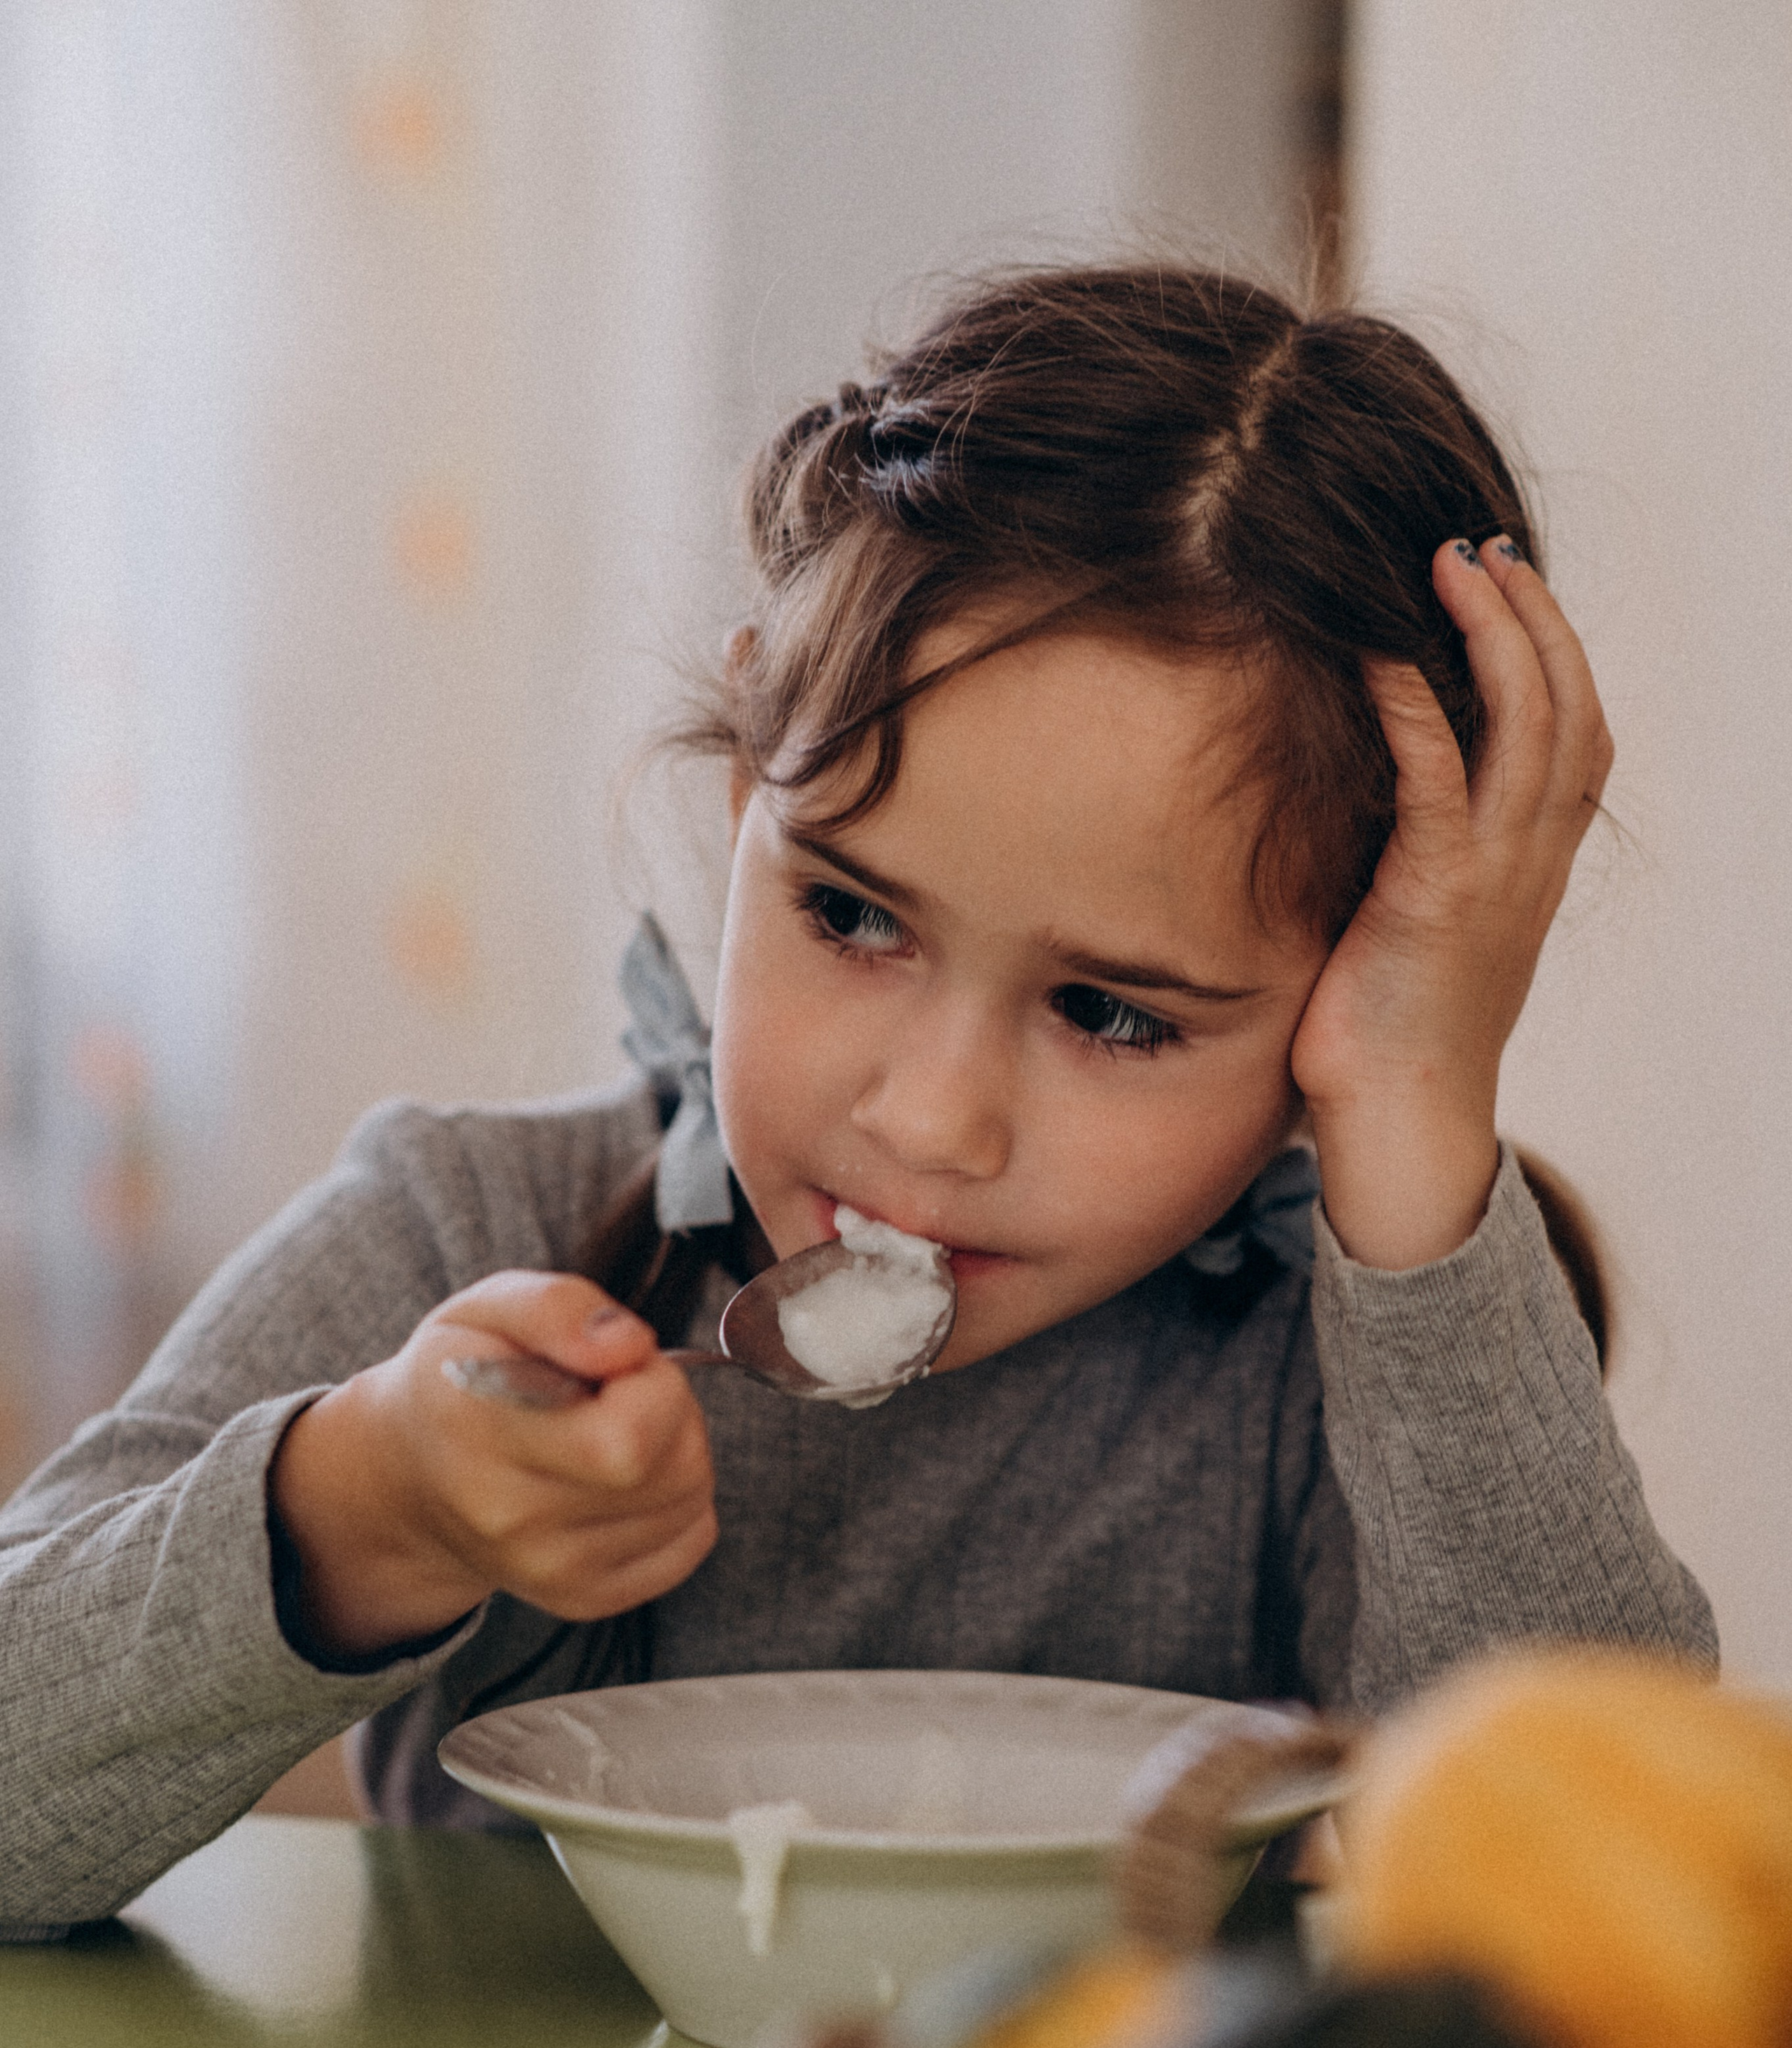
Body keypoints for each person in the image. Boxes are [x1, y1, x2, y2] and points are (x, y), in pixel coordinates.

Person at [0, 263, 1714, 1942]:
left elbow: (1616, 1926)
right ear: (748, 789)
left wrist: (1413, 1110)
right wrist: (363, 1510)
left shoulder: (1342, 1367)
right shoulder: (469, 1232)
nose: (929, 1122)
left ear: (1344, 1003)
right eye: (850, 914)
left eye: (1111, 1012)